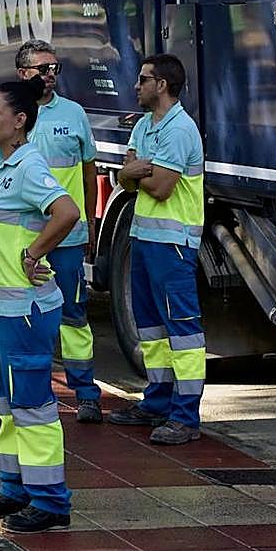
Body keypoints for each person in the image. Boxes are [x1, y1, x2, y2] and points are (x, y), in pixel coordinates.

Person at [0, 78, 79, 534]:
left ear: (20, 121)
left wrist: (34, 255)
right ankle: (15, 489)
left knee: (32, 406)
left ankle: (51, 501)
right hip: (4, 307)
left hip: (26, 311)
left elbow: (67, 212)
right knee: (9, 406)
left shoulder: (29, 166)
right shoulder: (8, 165)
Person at [0, 40, 102, 423]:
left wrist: (90, 221)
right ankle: (12, 395)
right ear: (23, 74)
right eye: (42, 69)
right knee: (14, 317)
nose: (50, 74)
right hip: (22, 243)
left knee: (73, 313)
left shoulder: (74, 113)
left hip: (65, 237)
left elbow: (88, 170)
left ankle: (85, 392)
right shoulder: (9, 116)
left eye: (55, 67)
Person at [107, 54, 206, 445]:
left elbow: (162, 187)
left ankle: (185, 415)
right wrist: (136, 171)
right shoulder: (147, 126)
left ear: (161, 85)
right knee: (151, 330)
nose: (136, 86)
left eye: (143, 79)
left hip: (174, 245)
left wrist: (136, 172)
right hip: (146, 240)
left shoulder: (180, 129)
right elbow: (127, 179)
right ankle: (157, 401)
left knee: (183, 332)